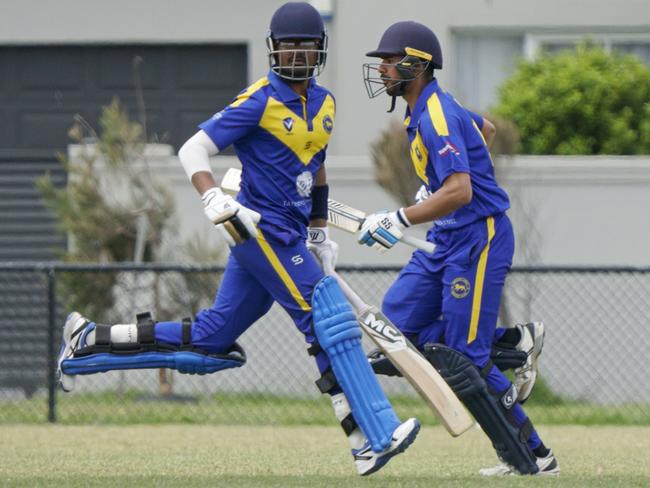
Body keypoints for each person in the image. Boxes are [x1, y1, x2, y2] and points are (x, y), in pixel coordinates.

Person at [56, 3, 419, 476]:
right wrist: (211, 197)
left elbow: (316, 167)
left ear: (320, 51)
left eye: (305, 46)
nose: (295, 55)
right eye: (287, 46)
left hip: (291, 233)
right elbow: (194, 148)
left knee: (212, 341)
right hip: (259, 229)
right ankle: (370, 436)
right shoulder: (258, 101)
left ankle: (88, 342)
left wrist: (318, 230)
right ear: (272, 49)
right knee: (327, 320)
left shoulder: (325, 103)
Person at [359, 21, 559, 475]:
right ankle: (512, 345)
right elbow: (483, 129)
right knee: (397, 330)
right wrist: (433, 187)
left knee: (465, 358)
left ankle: (531, 456)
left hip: (477, 236)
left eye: (391, 61)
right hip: (447, 236)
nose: (384, 68)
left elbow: (462, 192)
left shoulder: (437, 114)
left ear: (418, 64)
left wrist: (401, 216)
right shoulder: (428, 109)